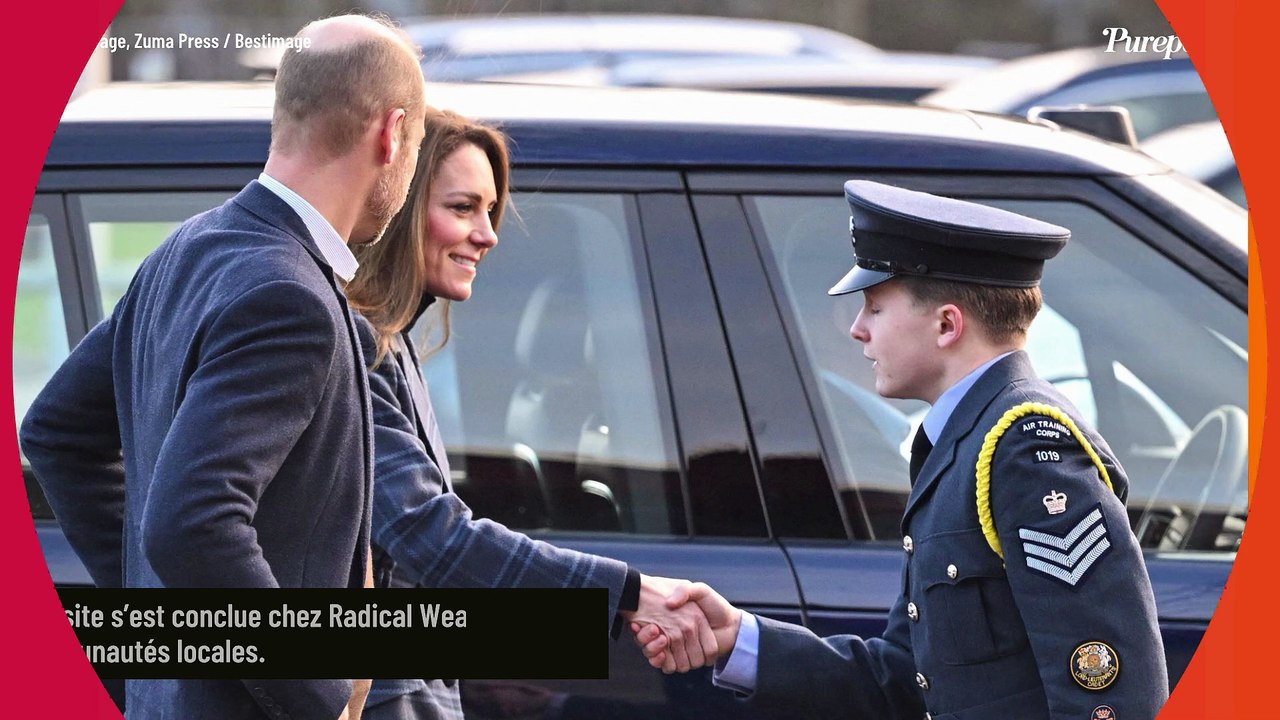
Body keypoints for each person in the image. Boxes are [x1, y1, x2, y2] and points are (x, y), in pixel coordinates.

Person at [636, 180, 1169, 720]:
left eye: (874, 307)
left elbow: (1108, 695)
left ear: (946, 324)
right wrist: (739, 637)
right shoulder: (965, 441)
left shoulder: (1022, 448)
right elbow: (902, 676)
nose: (857, 330)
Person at [20, 15, 426, 720]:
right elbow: (190, 522)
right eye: (418, 143)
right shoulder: (288, 295)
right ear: (391, 134)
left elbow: (57, 433)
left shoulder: (188, 248)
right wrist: (316, 692)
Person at [343, 109, 718, 720]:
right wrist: (628, 593)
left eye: (489, 213)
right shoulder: (359, 346)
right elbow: (427, 537)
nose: (488, 235)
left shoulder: (394, 344)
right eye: (463, 208)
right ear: (402, 210)